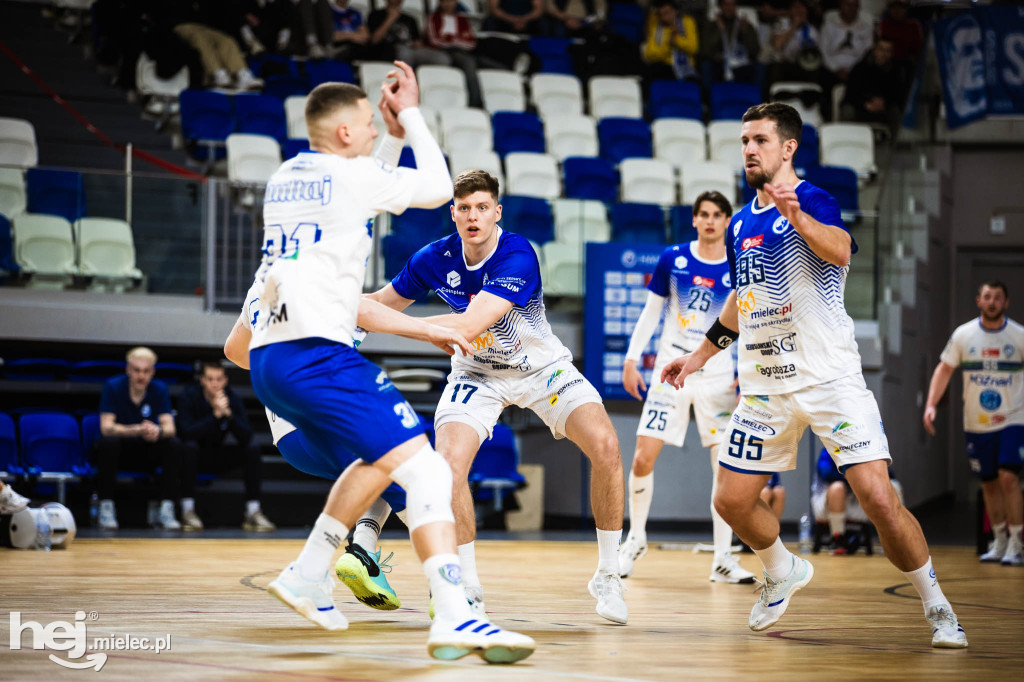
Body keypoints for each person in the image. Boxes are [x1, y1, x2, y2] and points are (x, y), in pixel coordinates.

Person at [242, 63, 535, 662]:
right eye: (370, 125)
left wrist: (391, 136)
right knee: (429, 474)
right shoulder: (351, 177)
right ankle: (457, 614)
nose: (377, 131)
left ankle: (309, 571)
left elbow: (371, 187)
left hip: (271, 355)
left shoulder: (288, 176)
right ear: (345, 133)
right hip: (316, 354)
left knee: (382, 460)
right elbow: (434, 185)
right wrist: (413, 116)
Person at [660, 102, 968, 649]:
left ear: (788, 147)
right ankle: (782, 569)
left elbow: (842, 250)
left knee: (877, 500)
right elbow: (740, 299)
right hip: (764, 389)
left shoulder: (813, 199)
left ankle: (938, 605)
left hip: (830, 381)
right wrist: (698, 356)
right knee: (729, 502)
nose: (749, 149)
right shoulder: (738, 225)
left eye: (759, 140)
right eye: (744, 141)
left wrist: (797, 214)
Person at [365, 169, 629, 625]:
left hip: (541, 370)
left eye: (482, 207)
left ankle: (608, 574)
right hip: (477, 374)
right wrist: (331, 306)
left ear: (496, 212)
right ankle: (467, 586)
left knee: (606, 447)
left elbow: (468, 326)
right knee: (450, 466)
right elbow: (380, 303)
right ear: (453, 213)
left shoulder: (518, 254)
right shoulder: (433, 257)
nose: (473, 216)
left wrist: (425, 331)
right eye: (464, 208)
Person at [618, 192, 755, 586]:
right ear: (694, 220)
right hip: (671, 369)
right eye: (704, 215)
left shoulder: (738, 264)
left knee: (725, 468)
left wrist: (745, 371)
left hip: (717, 372)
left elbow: (747, 321)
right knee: (643, 455)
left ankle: (724, 559)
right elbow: (650, 313)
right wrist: (632, 358)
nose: (710, 221)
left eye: (717, 215)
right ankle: (636, 539)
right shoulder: (673, 258)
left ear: (727, 221)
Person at [923, 280, 1023, 566]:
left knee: (1009, 477)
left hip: (1013, 419)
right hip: (977, 423)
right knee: (989, 483)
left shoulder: (1018, 336)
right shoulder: (964, 335)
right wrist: (931, 404)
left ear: (1006, 303)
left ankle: (1017, 543)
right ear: (979, 300)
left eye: (998, 298)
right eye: (987, 297)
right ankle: (1000, 541)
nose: (992, 302)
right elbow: (944, 369)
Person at [94, 347, 191, 531]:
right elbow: (106, 427)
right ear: (128, 370)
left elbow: (170, 428)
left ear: (152, 372)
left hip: (146, 451)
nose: (141, 376)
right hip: (121, 451)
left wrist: (157, 431)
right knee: (108, 444)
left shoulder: (159, 389)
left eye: (146, 371)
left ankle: (167, 508)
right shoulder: (113, 387)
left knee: (174, 445)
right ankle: (106, 507)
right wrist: (137, 429)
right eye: (137, 370)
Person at [176, 362, 276, 532]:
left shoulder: (231, 398)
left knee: (252, 449)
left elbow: (246, 436)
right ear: (202, 380)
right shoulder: (189, 395)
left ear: (225, 380)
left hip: (216, 455)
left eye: (219, 379)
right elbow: (186, 433)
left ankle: (252, 512)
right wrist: (214, 416)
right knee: (188, 448)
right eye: (210, 379)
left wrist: (228, 415)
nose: (215, 383)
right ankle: (188, 511)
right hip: (192, 456)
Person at [841, 36, 907, 132]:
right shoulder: (860, 68)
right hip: (861, 106)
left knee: (896, 112)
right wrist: (865, 104)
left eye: (888, 51)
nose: (884, 54)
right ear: (874, 50)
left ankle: (894, 145)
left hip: (884, 108)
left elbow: (899, 95)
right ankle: (846, 141)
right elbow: (850, 94)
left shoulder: (896, 70)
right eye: (881, 49)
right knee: (847, 110)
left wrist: (885, 104)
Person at [367, 0, 449, 67]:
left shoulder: (410, 19)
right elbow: (374, 40)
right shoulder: (375, 15)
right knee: (404, 52)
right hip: (387, 50)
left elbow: (418, 43)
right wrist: (390, 19)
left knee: (442, 58)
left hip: (411, 49)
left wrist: (416, 44)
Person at [701, 0, 761, 85]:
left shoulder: (744, 25)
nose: (729, 8)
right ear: (720, 7)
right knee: (706, 66)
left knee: (759, 67)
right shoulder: (712, 25)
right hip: (719, 62)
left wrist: (745, 32)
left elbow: (755, 51)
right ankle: (709, 97)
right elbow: (706, 51)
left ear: (736, 7)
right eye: (726, 5)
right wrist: (719, 31)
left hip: (740, 63)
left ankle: (756, 97)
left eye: (733, 5)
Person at [642, 0, 700, 83]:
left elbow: (694, 48)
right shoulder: (655, 25)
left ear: (675, 11)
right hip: (663, 66)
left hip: (685, 67)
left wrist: (676, 40)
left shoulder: (687, 22)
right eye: (661, 15)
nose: (664, 18)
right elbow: (650, 54)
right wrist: (668, 46)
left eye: (667, 13)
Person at [820, 0, 873, 82]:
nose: (851, 8)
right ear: (840, 6)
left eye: (854, 5)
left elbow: (868, 52)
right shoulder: (829, 26)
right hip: (831, 70)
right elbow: (823, 51)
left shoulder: (865, 28)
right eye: (848, 4)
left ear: (858, 8)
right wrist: (836, 69)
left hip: (857, 72)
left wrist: (854, 71)